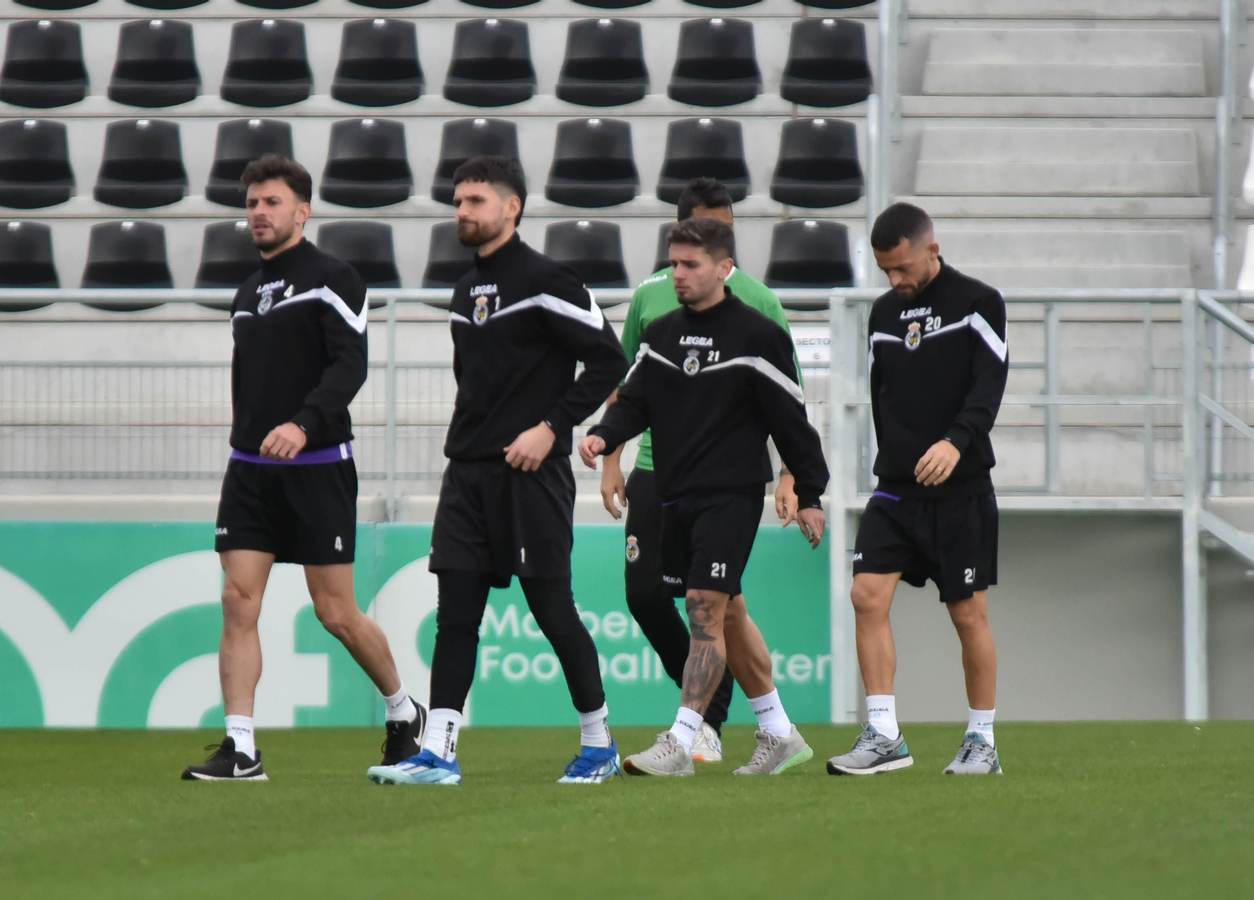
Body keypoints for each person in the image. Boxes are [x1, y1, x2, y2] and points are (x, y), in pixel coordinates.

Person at [367, 156, 628, 786]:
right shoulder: (463, 291)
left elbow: (609, 361)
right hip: (468, 476)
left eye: (476, 201)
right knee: (455, 616)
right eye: (458, 202)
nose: (463, 212)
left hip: (531, 478)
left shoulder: (549, 279)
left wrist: (549, 428)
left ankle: (600, 745)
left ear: (511, 208)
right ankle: (440, 753)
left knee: (552, 610)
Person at [183, 155, 423, 781]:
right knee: (239, 602)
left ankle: (403, 711)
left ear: (303, 210)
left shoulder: (333, 277)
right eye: (253, 203)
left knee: (336, 612)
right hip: (249, 470)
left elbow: (350, 366)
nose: (259, 212)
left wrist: (304, 423)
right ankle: (241, 748)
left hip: (317, 465)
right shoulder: (244, 292)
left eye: (272, 202)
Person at [580, 217, 829, 777]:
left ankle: (685, 738)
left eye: (691, 264)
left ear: (724, 268)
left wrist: (808, 490)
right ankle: (779, 731)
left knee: (704, 608)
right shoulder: (661, 333)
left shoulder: (758, 335)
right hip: (674, 493)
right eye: (673, 263)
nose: (679, 274)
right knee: (731, 613)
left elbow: (792, 422)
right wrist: (604, 434)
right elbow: (633, 399)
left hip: (732, 494)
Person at [825, 202, 1008, 777]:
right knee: (865, 595)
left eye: (902, 268)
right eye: (885, 271)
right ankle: (884, 735)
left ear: (931, 248)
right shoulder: (882, 313)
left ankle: (982, 741)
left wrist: (956, 442)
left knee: (966, 613)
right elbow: (886, 395)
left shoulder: (979, 302)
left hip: (961, 489)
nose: (895, 281)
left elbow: (989, 382)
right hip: (898, 490)